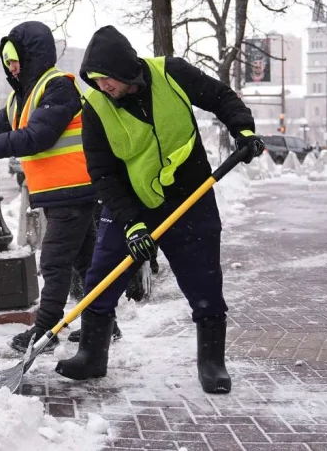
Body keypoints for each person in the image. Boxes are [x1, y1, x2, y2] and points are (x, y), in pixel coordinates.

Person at [54, 25, 263, 394]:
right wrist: (132, 224)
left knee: (203, 279)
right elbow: (102, 173)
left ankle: (212, 362)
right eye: (96, 81)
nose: (103, 87)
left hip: (190, 197)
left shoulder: (172, 73)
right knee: (102, 276)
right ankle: (91, 355)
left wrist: (242, 129)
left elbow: (220, 96)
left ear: (123, 68)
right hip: (131, 201)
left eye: (106, 78)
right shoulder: (96, 108)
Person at [0, 21, 120, 353]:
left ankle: (45, 330)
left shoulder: (58, 87)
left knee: (54, 263)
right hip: (64, 193)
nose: (11, 67)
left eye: (15, 59)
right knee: (85, 263)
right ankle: (106, 323)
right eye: (7, 61)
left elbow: (37, 137)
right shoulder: (21, 99)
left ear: (32, 55)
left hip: (72, 191)